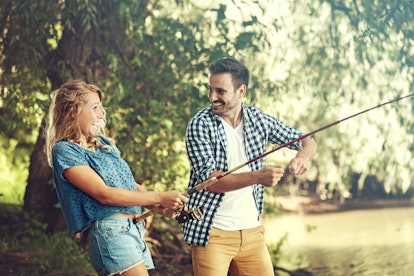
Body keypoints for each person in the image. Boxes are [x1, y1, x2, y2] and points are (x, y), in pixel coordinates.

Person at [181, 58, 317, 276]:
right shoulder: (200, 124)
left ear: (240, 91)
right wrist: (257, 177)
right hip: (212, 232)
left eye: (220, 91)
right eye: (210, 90)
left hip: (252, 231)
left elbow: (307, 140)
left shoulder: (258, 119)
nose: (212, 97)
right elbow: (211, 182)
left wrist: (302, 157)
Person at [45, 80, 188, 276]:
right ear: (72, 111)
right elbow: (104, 194)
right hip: (111, 233)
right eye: (95, 108)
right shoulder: (65, 150)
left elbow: (127, 184)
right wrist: (160, 197)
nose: (101, 114)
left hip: (133, 230)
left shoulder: (103, 144)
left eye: (100, 108)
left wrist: (159, 206)